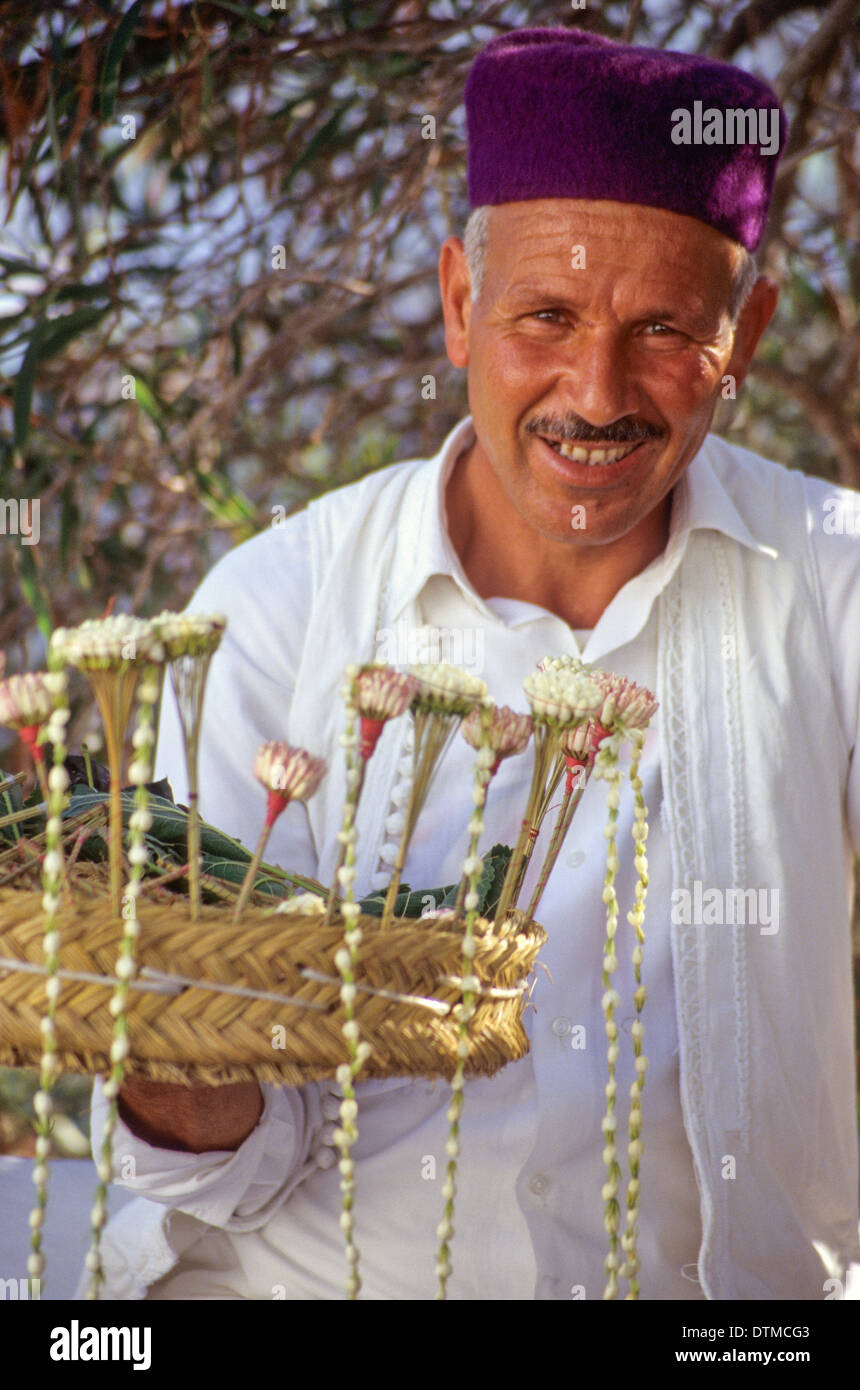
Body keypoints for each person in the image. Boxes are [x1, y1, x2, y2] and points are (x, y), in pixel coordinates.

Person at [86, 27, 860, 1301]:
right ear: (458, 304)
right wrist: (168, 1049)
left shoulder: (831, 584)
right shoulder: (274, 609)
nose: (593, 391)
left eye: (662, 327)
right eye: (542, 316)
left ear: (748, 332)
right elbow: (219, 1170)